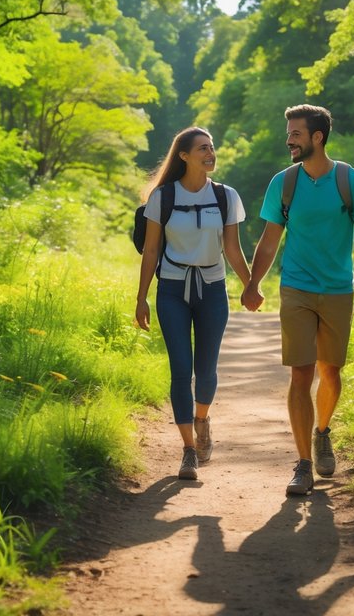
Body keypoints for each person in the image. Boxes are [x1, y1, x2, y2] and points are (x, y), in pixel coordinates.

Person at [241, 104, 354, 496]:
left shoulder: (351, 181)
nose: (289, 140)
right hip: (297, 288)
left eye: (296, 134)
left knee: (330, 371)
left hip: (338, 289)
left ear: (317, 137)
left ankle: (322, 432)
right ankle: (302, 463)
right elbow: (270, 240)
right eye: (289, 133)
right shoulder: (284, 183)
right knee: (301, 373)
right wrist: (253, 283)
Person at [136, 126, 251, 481]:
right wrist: (141, 298)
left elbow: (232, 248)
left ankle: (202, 420)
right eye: (203, 148)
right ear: (184, 156)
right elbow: (152, 250)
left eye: (212, 147)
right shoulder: (163, 197)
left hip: (212, 289)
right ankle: (188, 450)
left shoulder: (226, 196)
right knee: (180, 369)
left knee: (207, 370)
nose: (210, 152)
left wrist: (251, 285)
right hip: (171, 289)